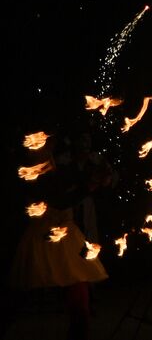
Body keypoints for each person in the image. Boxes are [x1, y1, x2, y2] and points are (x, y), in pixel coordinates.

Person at [9, 143, 108, 340]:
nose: (48, 156)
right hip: (44, 238)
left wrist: (92, 180)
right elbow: (59, 200)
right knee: (26, 289)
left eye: (48, 152)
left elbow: (66, 194)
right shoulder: (34, 178)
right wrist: (89, 186)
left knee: (77, 285)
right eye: (40, 153)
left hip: (66, 236)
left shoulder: (58, 171)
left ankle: (79, 331)